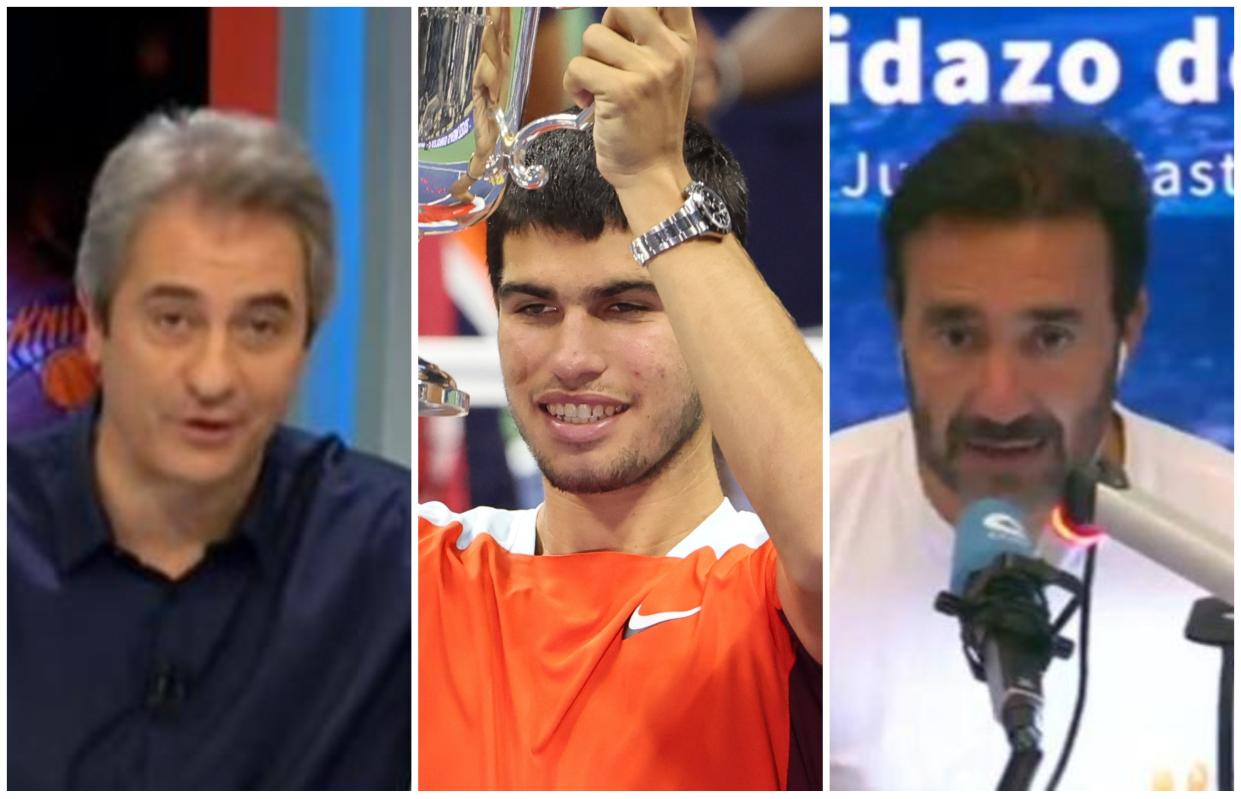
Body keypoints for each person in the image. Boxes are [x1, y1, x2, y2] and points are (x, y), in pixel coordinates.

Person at [418, 8, 822, 790]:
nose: (570, 359)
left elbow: (835, 549)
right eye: (532, 308)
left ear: (708, 317)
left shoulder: (771, 588)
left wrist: (651, 176)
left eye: (625, 307)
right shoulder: (433, 566)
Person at [8, 109, 411, 789]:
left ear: (305, 342)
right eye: (173, 320)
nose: (213, 376)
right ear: (96, 323)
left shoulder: (395, 562)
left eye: (260, 326)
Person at [829, 117, 1233, 790]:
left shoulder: (1222, 535)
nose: (1000, 400)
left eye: (1048, 338)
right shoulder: (807, 534)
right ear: (899, 319)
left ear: (1126, 325)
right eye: (957, 334)